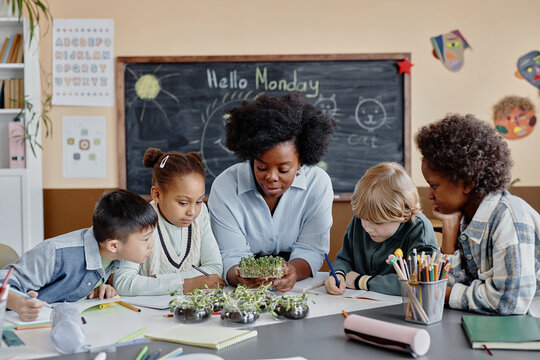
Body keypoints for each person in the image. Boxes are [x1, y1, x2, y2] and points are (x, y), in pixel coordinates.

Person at [208, 93, 336, 292]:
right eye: (261, 167)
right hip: (240, 289)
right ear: (251, 157)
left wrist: (292, 271)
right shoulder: (225, 187)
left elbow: (311, 249)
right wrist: (241, 277)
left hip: (298, 285)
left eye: (283, 169)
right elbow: (230, 255)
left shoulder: (318, 184)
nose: (272, 177)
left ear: (301, 161)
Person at [415, 114, 540, 315]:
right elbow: (453, 281)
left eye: (434, 185)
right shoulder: (466, 217)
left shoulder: (508, 217)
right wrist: (449, 230)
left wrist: (444, 294)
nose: (430, 195)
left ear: (467, 182)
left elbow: (509, 301)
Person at [0, 189, 157, 321]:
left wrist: (96, 289)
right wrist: (17, 302)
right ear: (114, 245)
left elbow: (75, 284)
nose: (151, 244)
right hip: (17, 326)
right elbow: (4, 280)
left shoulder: (113, 255)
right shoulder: (55, 253)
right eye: (145, 239)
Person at [114, 148, 226, 295]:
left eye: (199, 201)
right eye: (183, 203)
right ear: (157, 194)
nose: (192, 211)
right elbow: (123, 282)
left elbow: (215, 268)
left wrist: (155, 280)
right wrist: (185, 284)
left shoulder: (201, 214)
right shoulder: (139, 220)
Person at [324, 162, 438, 296]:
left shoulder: (419, 230)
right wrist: (339, 274)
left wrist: (362, 281)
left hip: (401, 310)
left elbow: (418, 281)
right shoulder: (359, 222)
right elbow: (345, 259)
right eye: (363, 218)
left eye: (377, 222)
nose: (367, 228)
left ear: (404, 216)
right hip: (359, 304)